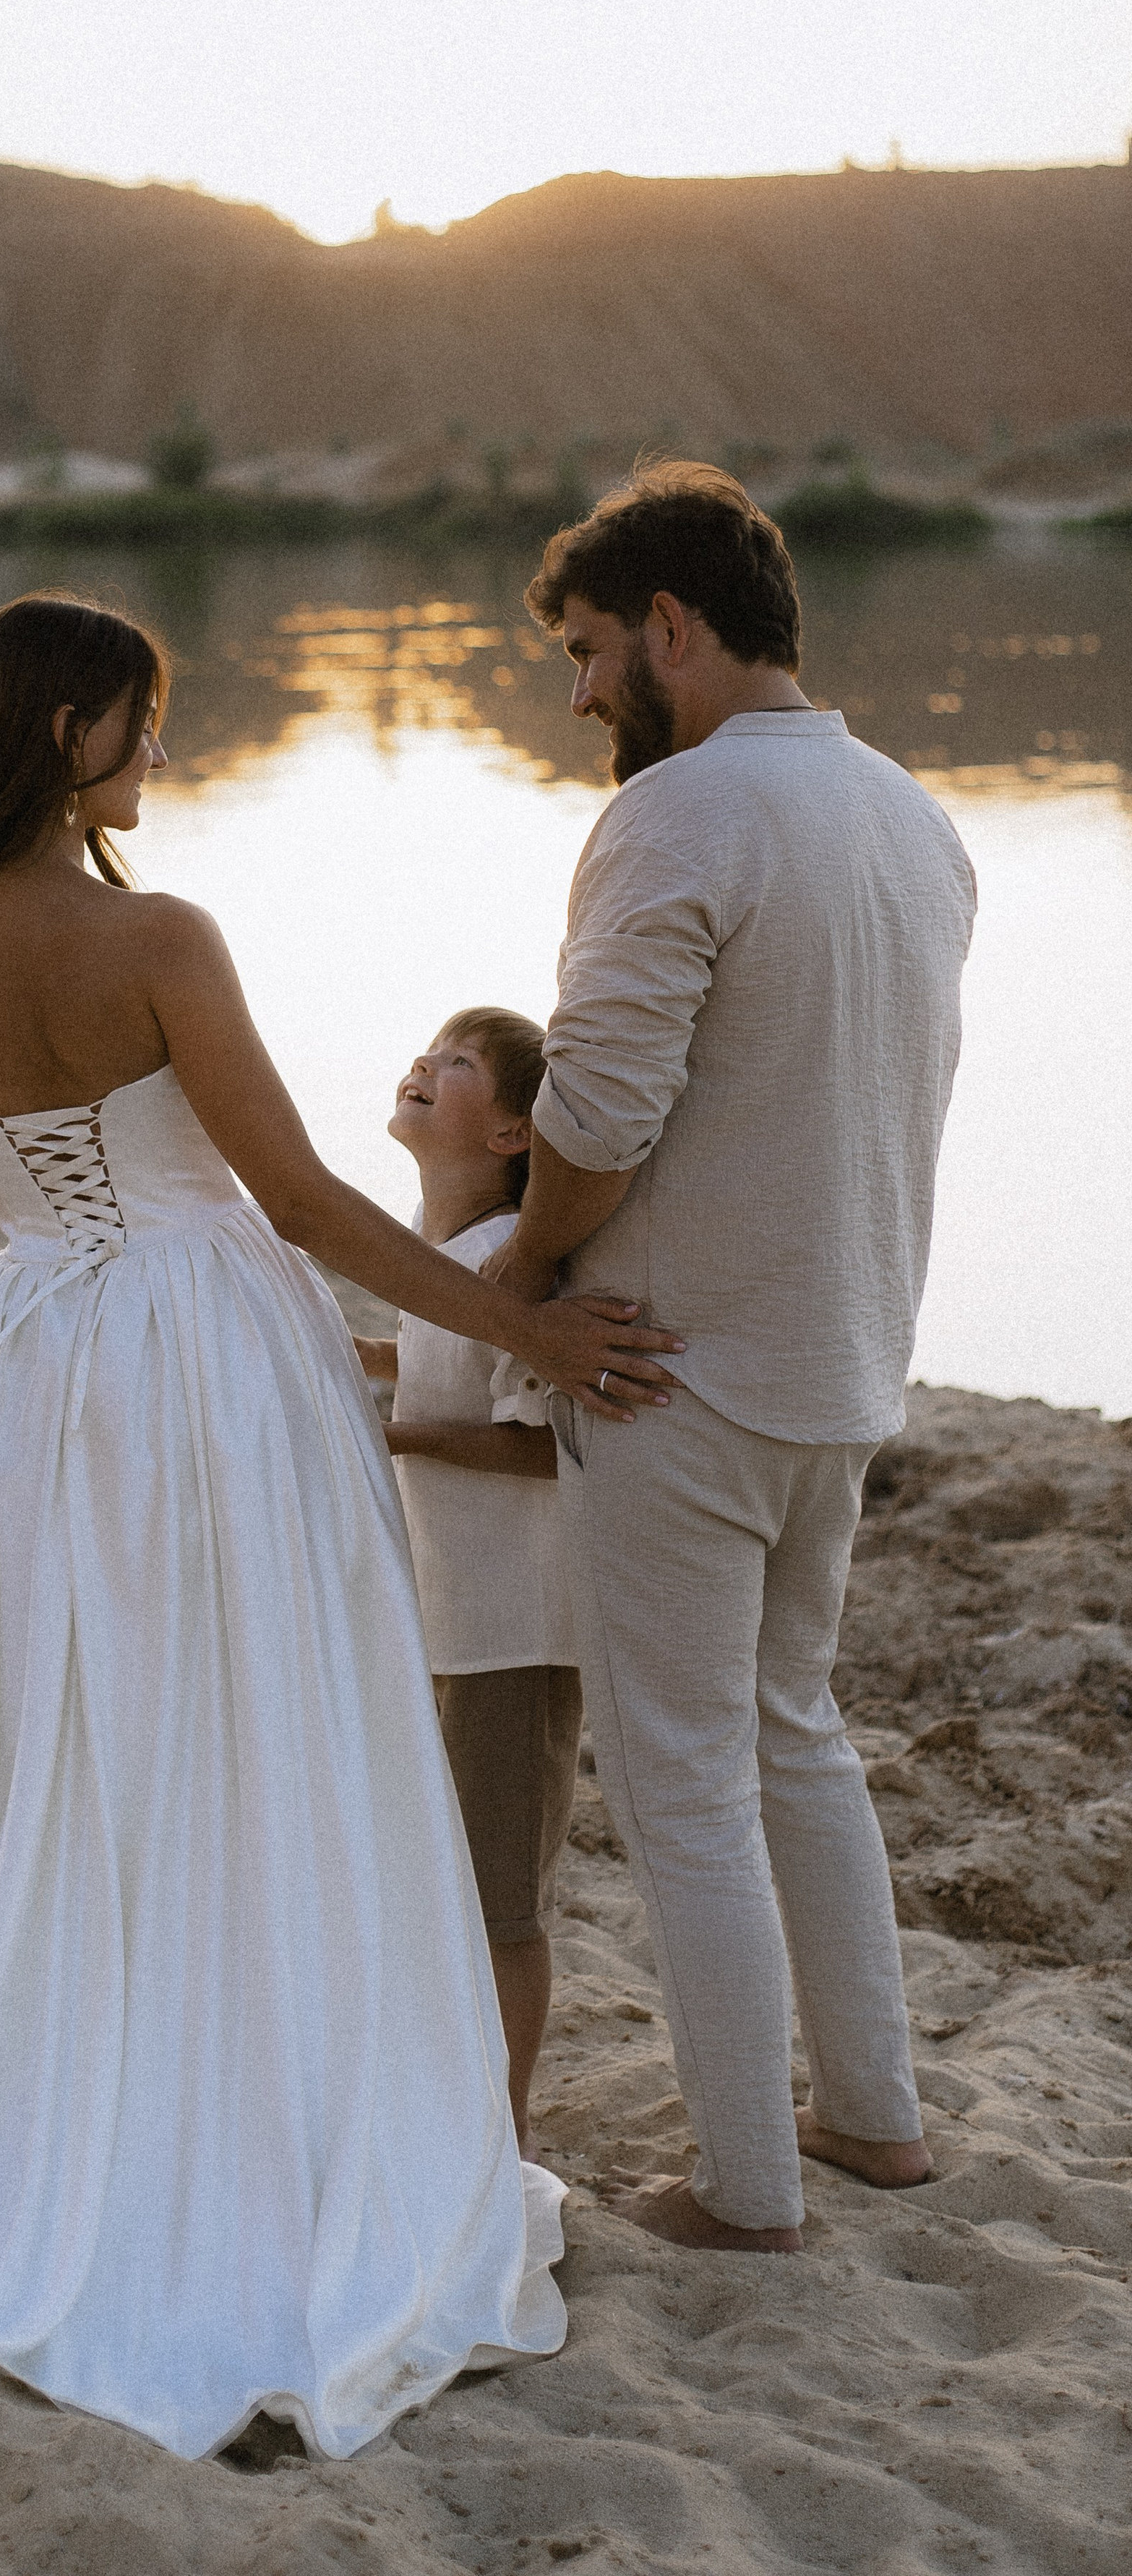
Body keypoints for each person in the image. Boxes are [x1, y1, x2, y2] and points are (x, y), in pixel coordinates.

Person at [0, 593, 683, 2459]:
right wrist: (517, 1321)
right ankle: (233, 2132)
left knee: (64, 1744)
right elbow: (293, 1201)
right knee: (243, 1729)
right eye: (142, 721)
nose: (160, 751)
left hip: (22, 1360)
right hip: (201, 1354)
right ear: (65, 736)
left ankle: (58, 2116)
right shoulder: (160, 936)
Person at [487, 463, 976, 2253]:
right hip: (842, 1354)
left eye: (591, 650)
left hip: (664, 1372)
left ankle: (745, 2190)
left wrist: (523, 1281)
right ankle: (874, 2124)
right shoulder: (912, 815)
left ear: (672, 632)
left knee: (684, 1775)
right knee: (797, 1738)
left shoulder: (679, 818)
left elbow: (597, 1118)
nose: (580, 693)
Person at [351, 1009, 578, 2157]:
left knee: (500, 1905)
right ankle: (456, 2108)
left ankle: (505, 2130)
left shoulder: (509, 1263)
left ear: (508, 1134)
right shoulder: (438, 1252)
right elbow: (448, 1361)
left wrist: (393, 1439)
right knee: (449, 1882)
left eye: (455, 1063)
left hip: (517, 1629)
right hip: (449, 1615)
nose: (421, 1065)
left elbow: (543, 1444)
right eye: (426, 1048)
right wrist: (365, 1362)